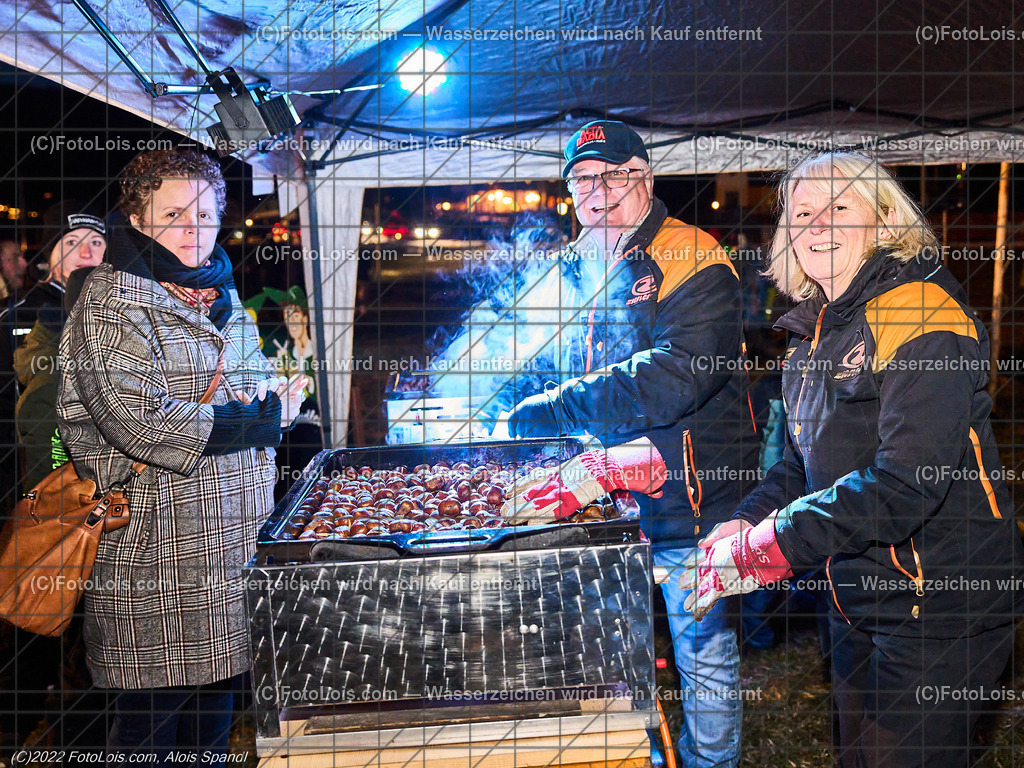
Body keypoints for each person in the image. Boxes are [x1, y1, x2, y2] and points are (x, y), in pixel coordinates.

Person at [681, 151, 1024, 767]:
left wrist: (774, 544)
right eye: (802, 213)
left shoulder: (921, 314)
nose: (817, 225)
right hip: (854, 593)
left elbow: (907, 483)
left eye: (840, 207)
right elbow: (799, 464)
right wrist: (746, 521)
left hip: (940, 603)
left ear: (886, 222)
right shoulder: (811, 333)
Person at [507, 120, 758, 767]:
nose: (596, 191)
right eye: (581, 180)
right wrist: (511, 394)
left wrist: (562, 404)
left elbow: (681, 372)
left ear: (644, 178)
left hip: (692, 500)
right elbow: (547, 358)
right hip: (604, 501)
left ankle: (711, 764)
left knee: (703, 653)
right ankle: (634, 757)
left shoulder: (691, 254)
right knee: (613, 652)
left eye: (612, 176)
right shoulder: (575, 265)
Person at [57, 148, 307, 761]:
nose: (192, 229)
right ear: (137, 219)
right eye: (172, 214)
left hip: (230, 556)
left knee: (210, 737)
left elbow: (248, 391)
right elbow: (139, 424)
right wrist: (259, 419)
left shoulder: (218, 293)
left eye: (204, 213)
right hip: (156, 561)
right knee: (148, 737)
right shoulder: (111, 306)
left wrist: (274, 402)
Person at [13, 201, 107, 489]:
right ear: (50, 254)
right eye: (71, 242)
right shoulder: (20, 314)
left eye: (96, 241)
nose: (86, 253)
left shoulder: (118, 312)